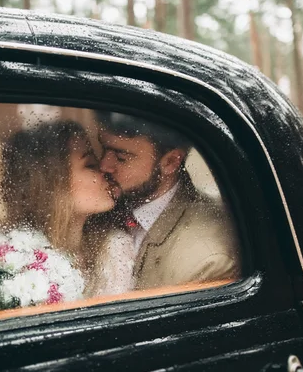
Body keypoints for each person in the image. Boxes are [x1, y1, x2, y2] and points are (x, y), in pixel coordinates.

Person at [0, 120, 133, 315]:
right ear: (54, 186)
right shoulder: (6, 253)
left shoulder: (114, 248)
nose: (105, 170)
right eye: (91, 164)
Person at [94, 111, 241, 290]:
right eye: (103, 149)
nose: (104, 165)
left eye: (120, 157)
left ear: (170, 162)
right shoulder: (103, 206)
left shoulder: (205, 262)